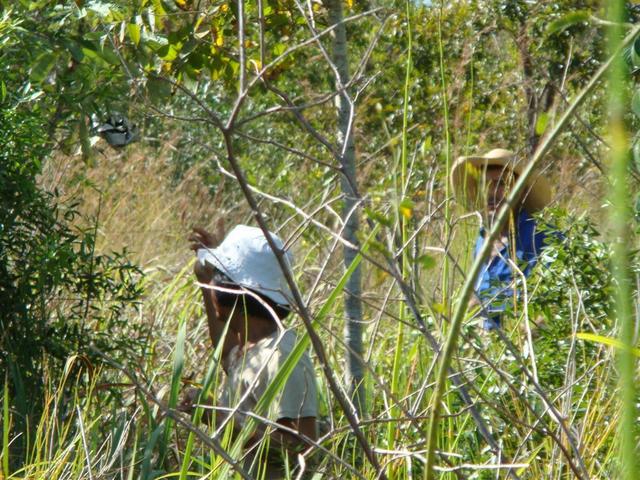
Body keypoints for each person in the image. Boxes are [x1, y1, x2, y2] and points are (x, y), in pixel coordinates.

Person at [183, 224, 318, 476]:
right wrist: (205, 282)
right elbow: (227, 354)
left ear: (232, 294)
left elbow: (301, 450)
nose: (212, 284)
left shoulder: (283, 358)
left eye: (217, 279)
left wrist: (217, 416)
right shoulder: (251, 348)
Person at [450, 148, 553, 330]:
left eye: (500, 184)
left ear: (520, 192)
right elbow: (478, 298)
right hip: (488, 351)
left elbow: (557, 302)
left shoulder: (542, 236)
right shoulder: (482, 241)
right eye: (485, 185)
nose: (492, 193)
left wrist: (526, 334)